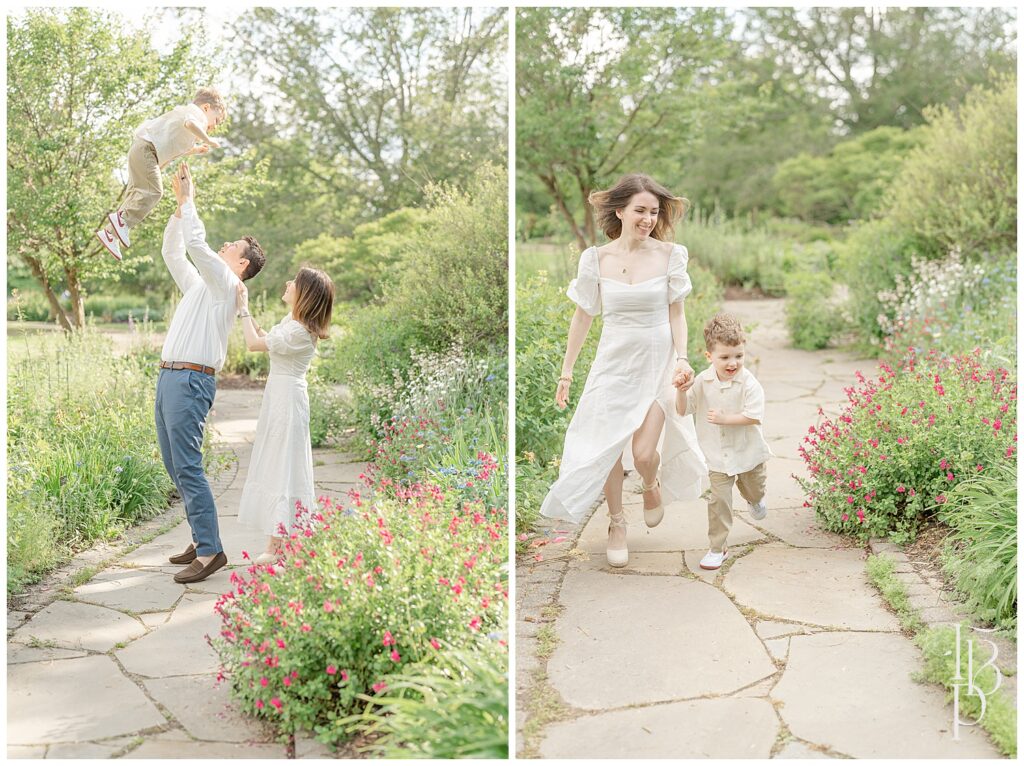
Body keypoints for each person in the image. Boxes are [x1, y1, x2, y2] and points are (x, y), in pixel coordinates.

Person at [541, 173, 707, 568]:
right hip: (613, 363)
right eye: (640, 211)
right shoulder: (595, 259)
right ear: (620, 211)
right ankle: (617, 522)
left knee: (645, 451)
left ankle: (651, 483)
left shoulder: (671, 255)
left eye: (654, 211)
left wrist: (682, 357)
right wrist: (566, 372)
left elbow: (677, 313)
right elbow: (583, 317)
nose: (648, 218)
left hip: (657, 361)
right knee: (607, 444)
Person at [159, 163, 266, 584]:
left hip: (190, 380)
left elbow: (198, 243)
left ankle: (210, 551)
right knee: (174, 464)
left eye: (233, 245)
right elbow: (175, 252)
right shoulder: (203, 285)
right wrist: (176, 211)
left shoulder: (225, 282)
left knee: (188, 465)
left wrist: (191, 201)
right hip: (170, 377)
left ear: (241, 264)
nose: (225, 244)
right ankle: (199, 536)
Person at [235, 267, 335, 564]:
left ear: (304, 294)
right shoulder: (292, 324)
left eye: (294, 282)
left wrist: (242, 309)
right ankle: (275, 546)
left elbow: (254, 344)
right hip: (279, 397)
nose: (288, 283)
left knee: (284, 467)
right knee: (278, 465)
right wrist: (245, 309)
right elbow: (266, 338)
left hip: (287, 401)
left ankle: (282, 547)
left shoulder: (298, 332)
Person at [674, 313, 773, 570]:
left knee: (754, 488)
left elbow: (753, 417)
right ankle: (718, 548)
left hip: (747, 452)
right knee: (719, 501)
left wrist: (724, 418)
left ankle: (755, 499)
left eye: (738, 356)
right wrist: (681, 392)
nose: (733, 363)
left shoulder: (749, 383)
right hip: (717, 455)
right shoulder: (703, 382)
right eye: (725, 357)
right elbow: (683, 410)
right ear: (710, 357)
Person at [96, 88, 226, 261]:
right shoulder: (195, 114)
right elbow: (189, 124)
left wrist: (195, 150)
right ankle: (123, 222)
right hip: (147, 151)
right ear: (206, 108)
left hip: (141, 150)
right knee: (154, 192)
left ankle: (110, 234)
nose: (214, 126)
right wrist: (208, 140)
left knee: (135, 194)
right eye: (216, 120)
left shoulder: (190, 124)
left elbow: (175, 145)